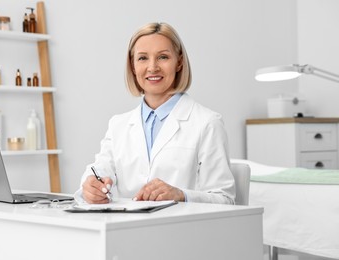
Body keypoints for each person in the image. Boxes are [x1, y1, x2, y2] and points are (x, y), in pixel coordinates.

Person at [74, 22, 235, 204]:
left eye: (163, 57)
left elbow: (225, 200)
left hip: (181, 229)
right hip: (126, 228)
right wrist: (90, 188)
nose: (152, 67)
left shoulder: (207, 122)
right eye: (142, 58)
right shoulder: (118, 125)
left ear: (179, 63)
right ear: (133, 66)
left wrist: (181, 195)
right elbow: (99, 171)